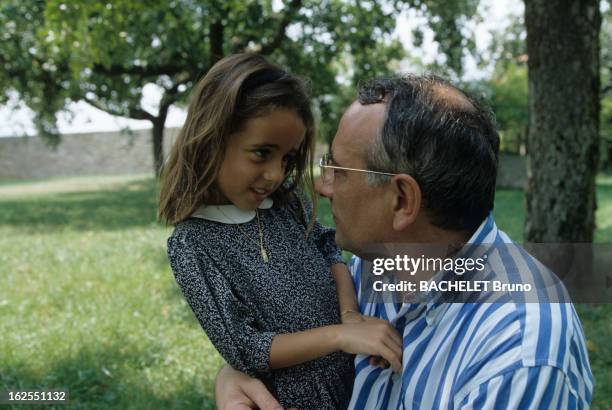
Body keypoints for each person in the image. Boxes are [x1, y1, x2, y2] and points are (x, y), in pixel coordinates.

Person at [215, 74, 594, 409]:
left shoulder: (517, 359)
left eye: (337, 169)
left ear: (401, 201)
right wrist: (235, 377)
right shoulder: (371, 267)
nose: (321, 185)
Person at [158, 53, 404, 410]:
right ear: (212, 139)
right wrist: (339, 335)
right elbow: (245, 348)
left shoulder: (287, 202)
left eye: (287, 158)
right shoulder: (193, 244)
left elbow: (329, 249)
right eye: (261, 153)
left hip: (355, 377)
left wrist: (350, 317)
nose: (276, 174)